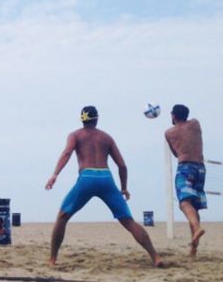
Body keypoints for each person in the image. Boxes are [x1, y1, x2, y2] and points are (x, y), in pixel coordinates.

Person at [45, 107, 160, 267]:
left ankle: (52, 259)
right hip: (106, 178)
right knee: (128, 221)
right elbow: (122, 166)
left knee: (63, 216)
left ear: (82, 119)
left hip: (87, 177)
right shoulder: (106, 138)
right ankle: (155, 257)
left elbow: (67, 153)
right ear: (97, 119)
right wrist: (124, 188)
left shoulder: (75, 135)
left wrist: (55, 174)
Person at [165, 105, 207, 257]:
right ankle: (193, 250)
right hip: (201, 168)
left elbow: (176, 154)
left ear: (174, 116)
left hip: (185, 167)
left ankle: (197, 228)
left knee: (184, 203)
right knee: (193, 208)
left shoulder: (170, 132)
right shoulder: (195, 124)